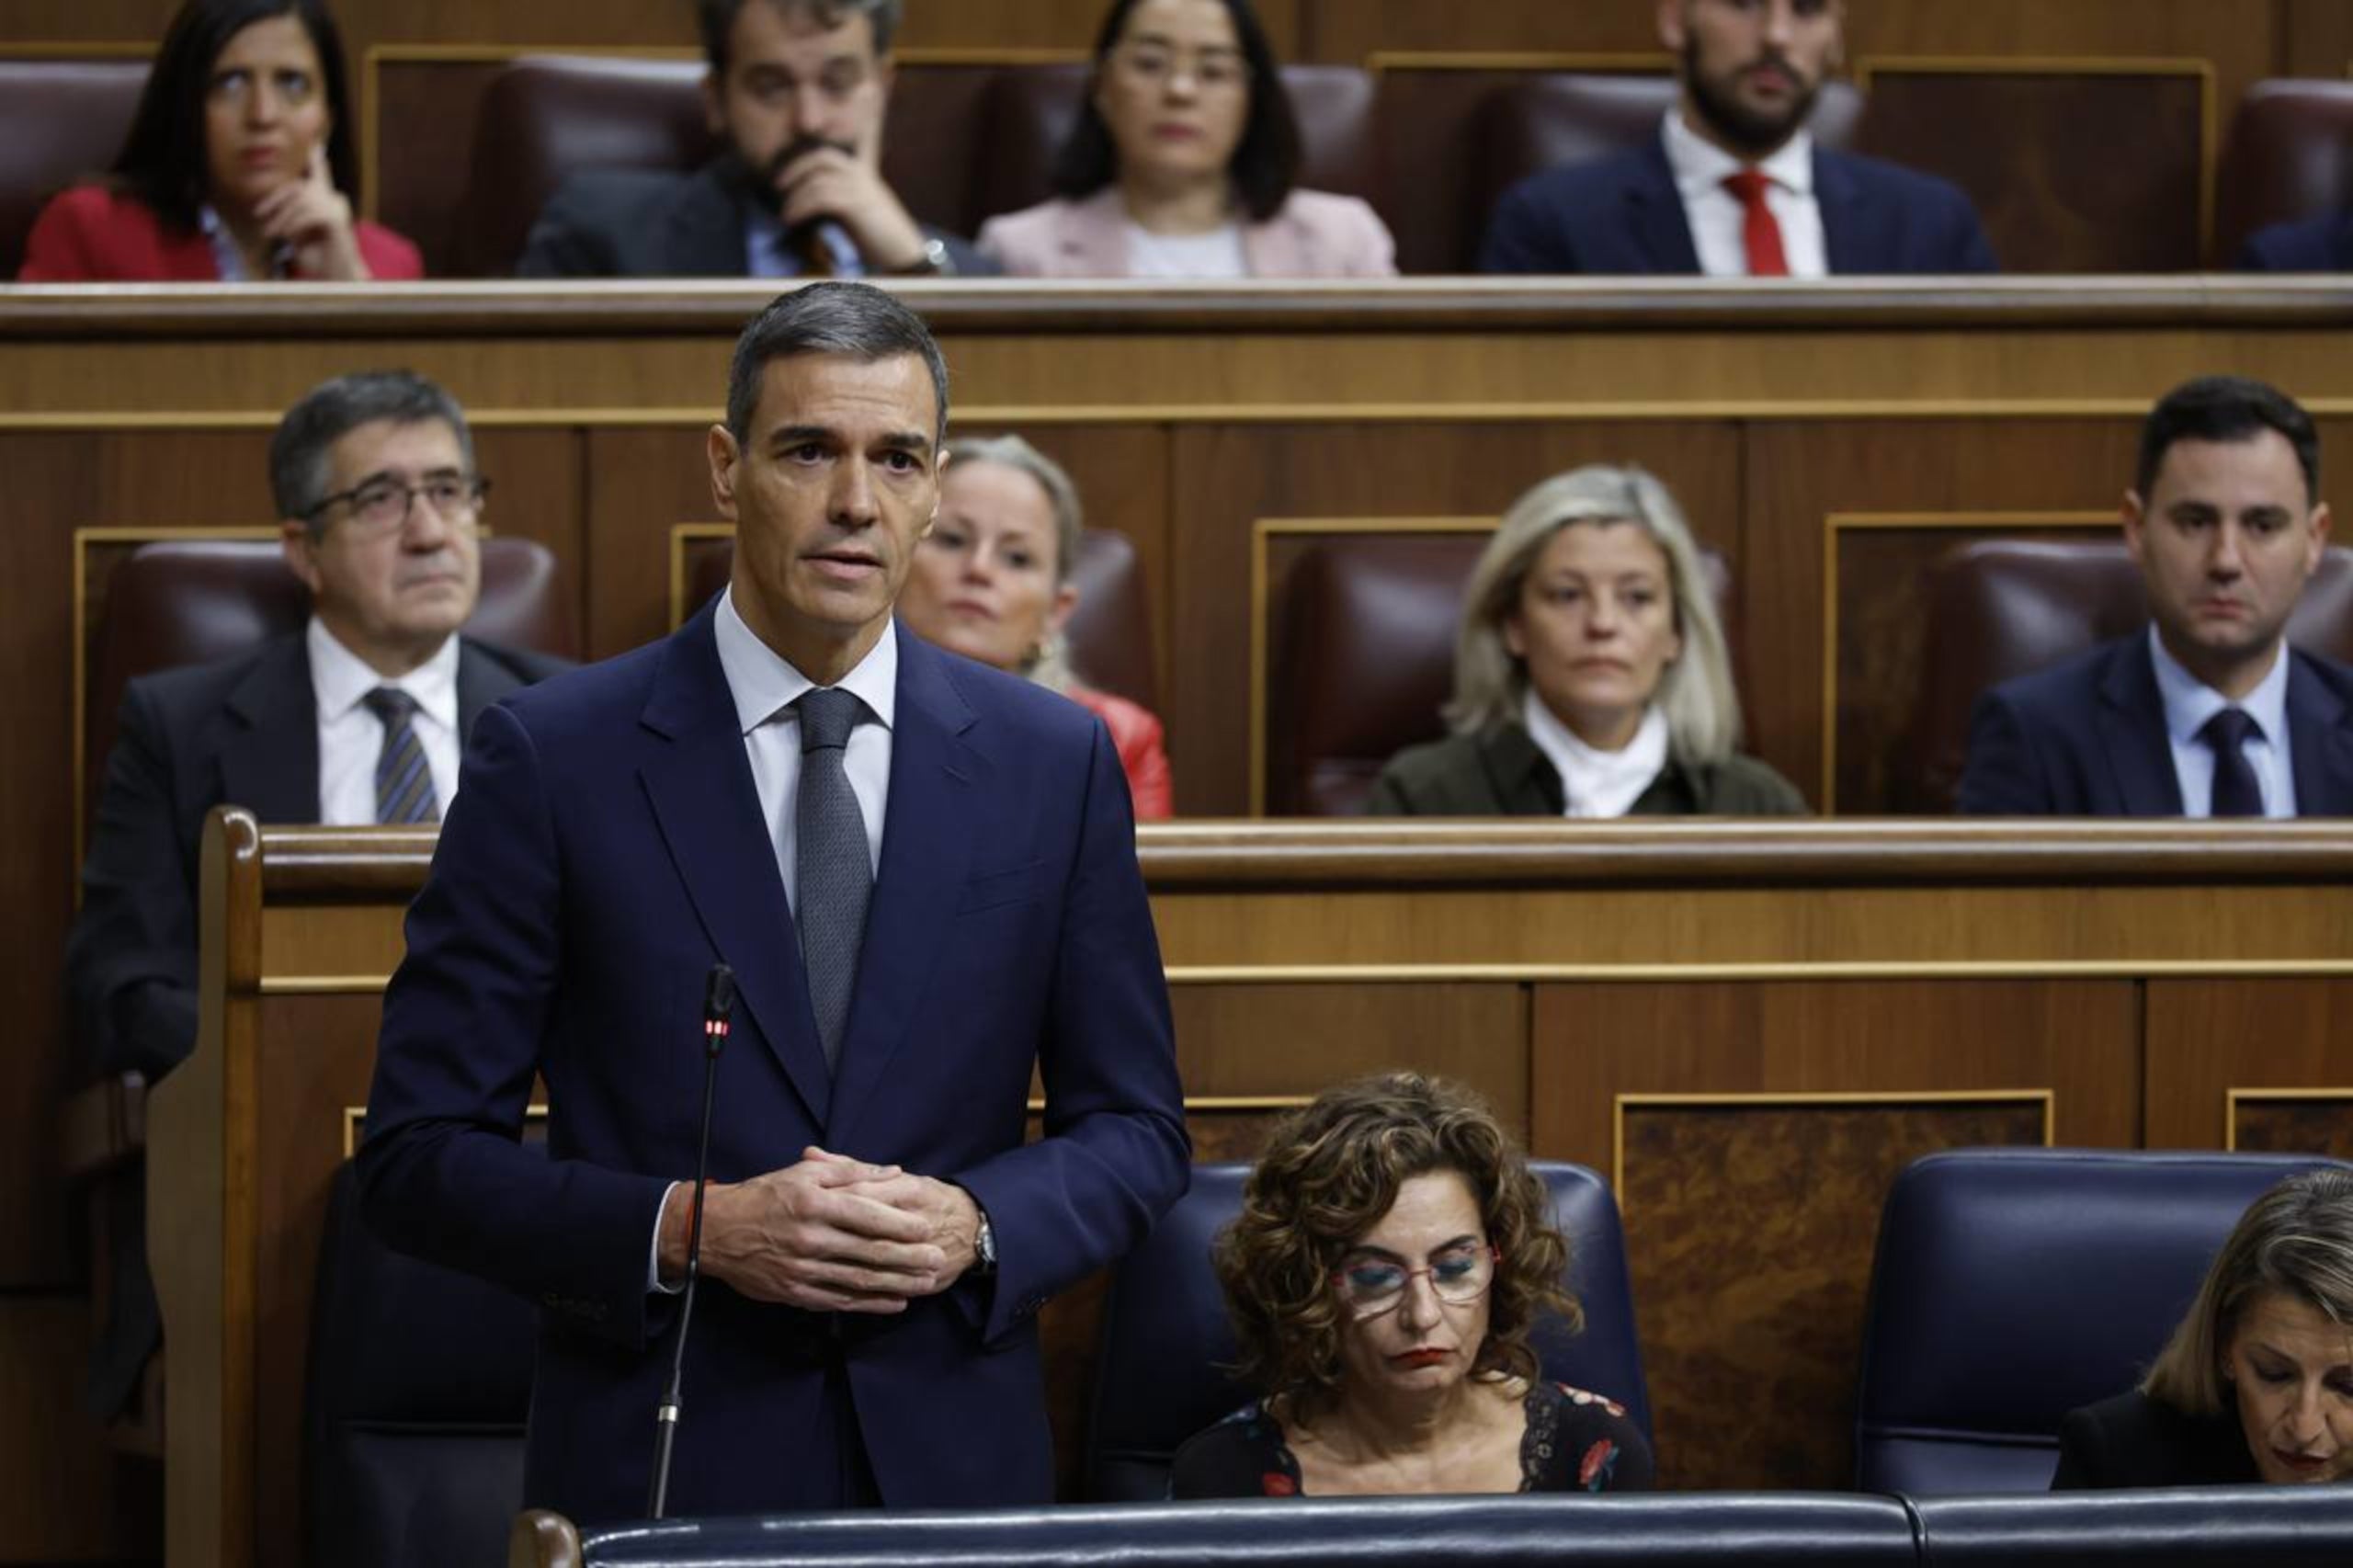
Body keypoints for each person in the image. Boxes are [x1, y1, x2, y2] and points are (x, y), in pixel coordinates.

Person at [357, 282, 1190, 1524]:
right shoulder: (557, 755)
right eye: (811, 450)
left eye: (896, 458)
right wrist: (689, 1226)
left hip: (951, 1473)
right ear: (726, 467)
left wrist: (977, 1221)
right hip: (662, 1463)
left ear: (932, 485)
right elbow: (417, 1155)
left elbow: (1136, 1129)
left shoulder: (1049, 761)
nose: (857, 499)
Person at [64, 369, 563, 1417]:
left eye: (450, 490)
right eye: (381, 499)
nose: (430, 530)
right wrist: (307, 1052)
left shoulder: (568, 719)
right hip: (266, 1191)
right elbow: (120, 977)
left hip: (519, 1182)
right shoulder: (184, 724)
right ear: (303, 549)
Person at [1170, 1073, 1653, 1497]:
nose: (1422, 1315)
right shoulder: (1222, 1477)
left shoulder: (1592, 1449)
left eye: (1455, 1268)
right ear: (1311, 1286)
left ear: (1498, 1266)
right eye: (1375, 1277)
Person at [1960, 376, 2353, 816]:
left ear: (2315, 540)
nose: (2225, 561)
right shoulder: (2035, 736)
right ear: (2136, 529)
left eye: (2262, 526)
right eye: (2194, 522)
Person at [1365, 464, 1804, 816]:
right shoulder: (1422, 799)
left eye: (1636, 597)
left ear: (1676, 633)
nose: (1602, 624)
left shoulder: (1756, 806)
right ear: (1513, 625)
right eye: (1568, 595)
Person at [1479, 0, 1994, 277]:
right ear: (1677, 19)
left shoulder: (1930, 225)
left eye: (1807, 9)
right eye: (1743, 3)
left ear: (1836, 38)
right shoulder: (1552, 224)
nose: (1776, 35)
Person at [517, 0, 993, 278]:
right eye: (772, 87)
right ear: (716, 101)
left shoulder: (967, 271)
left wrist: (913, 271)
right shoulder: (603, 237)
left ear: (882, 91)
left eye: (837, 83)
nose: (808, 121)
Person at [976, 0, 1393, 278]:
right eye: (1149, 63)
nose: (1180, 91)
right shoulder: (1019, 250)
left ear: (1251, 100)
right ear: (1103, 88)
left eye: (1213, 71)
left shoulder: (1345, 240)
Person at [18, 0, 421, 282]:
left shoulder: (387, 265)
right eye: (230, 83)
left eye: (292, 84)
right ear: (187, 106)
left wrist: (350, 293)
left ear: (327, 118)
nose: (262, 115)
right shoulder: (89, 231)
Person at [895, 435, 1173, 817]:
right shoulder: (831, 713)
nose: (979, 568)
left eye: (1017, 558)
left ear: (1056, 612)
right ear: (894, 563)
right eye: (952, 539)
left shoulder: (1119, 740)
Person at [2053, 1166, 2353, 1488]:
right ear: (2225, 1344)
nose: (2304, 1427)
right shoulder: (2115, 1457)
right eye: (2274, 1373)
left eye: (2348, 1385)